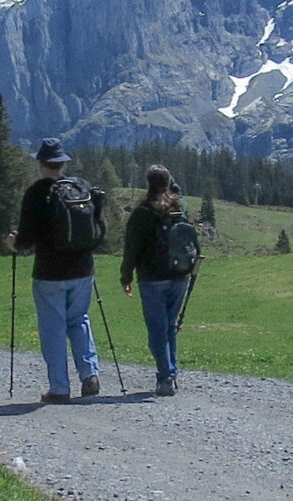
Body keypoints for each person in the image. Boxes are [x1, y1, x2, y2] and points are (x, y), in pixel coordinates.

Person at [11, 138, 102, 403]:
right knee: (79, 319)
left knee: (53, 327)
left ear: (41, 163)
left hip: (50, 272)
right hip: (83, 269)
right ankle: (90, 374)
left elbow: (26, 240)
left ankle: (60, 388)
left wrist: (13, 242)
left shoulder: (37, 192)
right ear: (62, 163)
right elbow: (99, 228)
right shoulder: (81, 187)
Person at [120, 165, 197, 397]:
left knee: (157, 330)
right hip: (179, 275)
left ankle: (165, 377)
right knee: (170, 327)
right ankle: (171, 373)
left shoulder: (142, 211)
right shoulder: (178, 208)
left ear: (147, 183)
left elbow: (132, 248)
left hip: (152, 277)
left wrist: (126, 275)